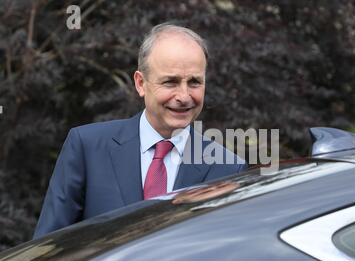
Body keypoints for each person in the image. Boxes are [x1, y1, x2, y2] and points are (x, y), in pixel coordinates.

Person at [33, 23, 247, 239]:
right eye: (170, 82)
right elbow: (47, 248)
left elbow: (225, 257)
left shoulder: (227, 167)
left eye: (194, 82)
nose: (184, 96)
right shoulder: (87, 147)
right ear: (140, 83)